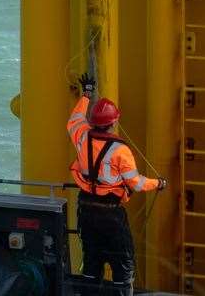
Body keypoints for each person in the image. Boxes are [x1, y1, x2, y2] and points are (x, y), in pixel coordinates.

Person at [68, 73, 166, 294]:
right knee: (123, 268)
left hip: (85, 210)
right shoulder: (121, 150)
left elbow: (74, 119)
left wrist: (87, 94)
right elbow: (137, 183)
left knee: (91, 264)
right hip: (110, 215)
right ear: (114, 122)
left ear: (92, 122)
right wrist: (158, 183)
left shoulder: (82, 137)